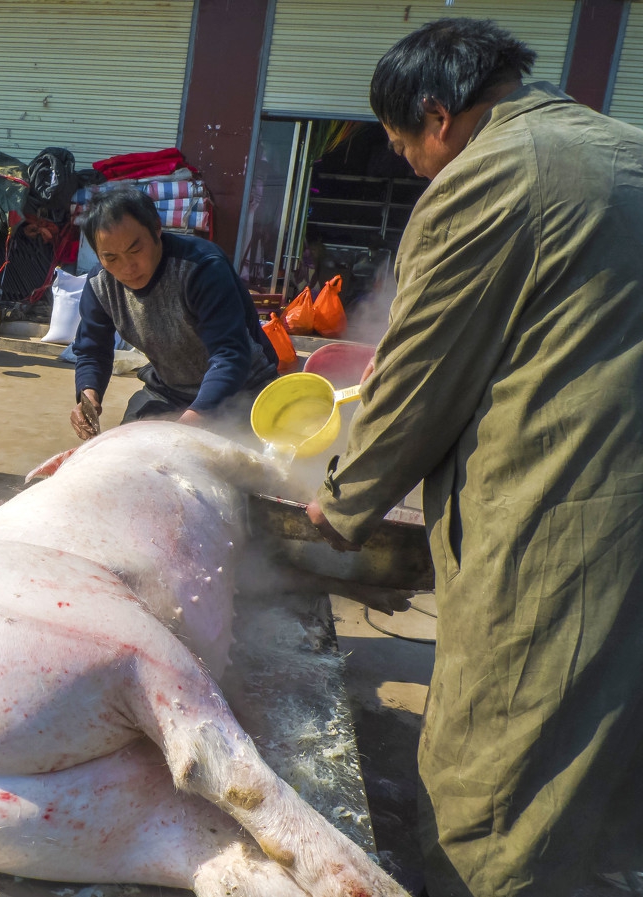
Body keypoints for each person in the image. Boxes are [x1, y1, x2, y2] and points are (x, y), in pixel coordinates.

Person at [304, 19, 643, 896]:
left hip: (575, 513)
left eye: (402, 145)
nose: (412, 166)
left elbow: (417, 377)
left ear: (438, 116)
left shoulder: (495, 175)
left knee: (498, 770)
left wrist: (340, 504)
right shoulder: (620, 147)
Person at [69, 187, 277, 439]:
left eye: (135, 250)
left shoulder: (202, 268)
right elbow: (93, 351)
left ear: (157, 228)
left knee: (242, 468)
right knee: (129, 452)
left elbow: (229, 355)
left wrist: (189, 423)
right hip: (167, 392)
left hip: (244, 390)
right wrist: (88, 395)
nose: (127, 267)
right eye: (111, 258)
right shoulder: (100, 285)